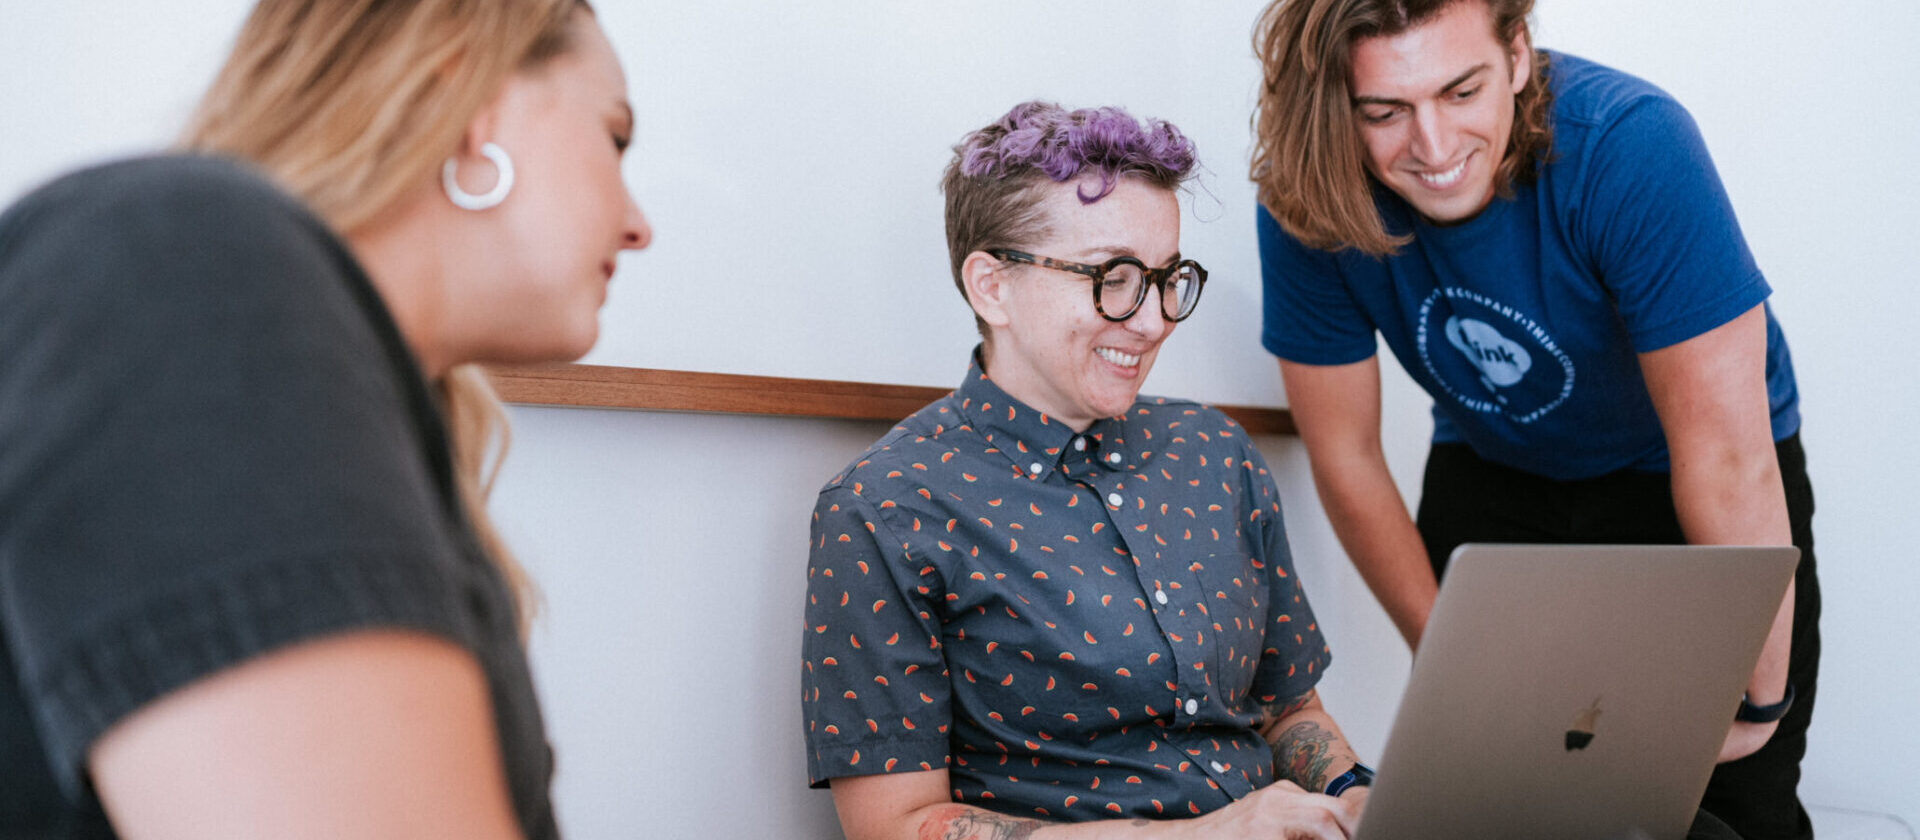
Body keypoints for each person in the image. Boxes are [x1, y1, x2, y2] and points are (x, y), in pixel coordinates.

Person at [0, 1, 649, 837]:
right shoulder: (182, 265)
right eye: (615, 136)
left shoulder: (389, 446)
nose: (638, 226)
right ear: (470, 97)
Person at [1249, 1, 1819, 838]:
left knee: (1733, 810)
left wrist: (1763, 701)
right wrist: (1448, 660)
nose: (1434, 147)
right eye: (1385, 112)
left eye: (1461, 91)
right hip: (1496, 473)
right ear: (1339, 106)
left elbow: (1727, 457)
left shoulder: (1630, 143)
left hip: (1686, 476)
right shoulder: (1310, 195)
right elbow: (1347, 456)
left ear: (1517, 54)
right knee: (1504, 799)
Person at [801, 101, 1373, 840]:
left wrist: (1357, 795)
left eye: (1168, 278)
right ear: (992, 287)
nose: (1154, 319)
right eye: (1115, 277)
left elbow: (1287, 708)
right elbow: (895, 826)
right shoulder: (886, 507)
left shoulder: (1216, 454)